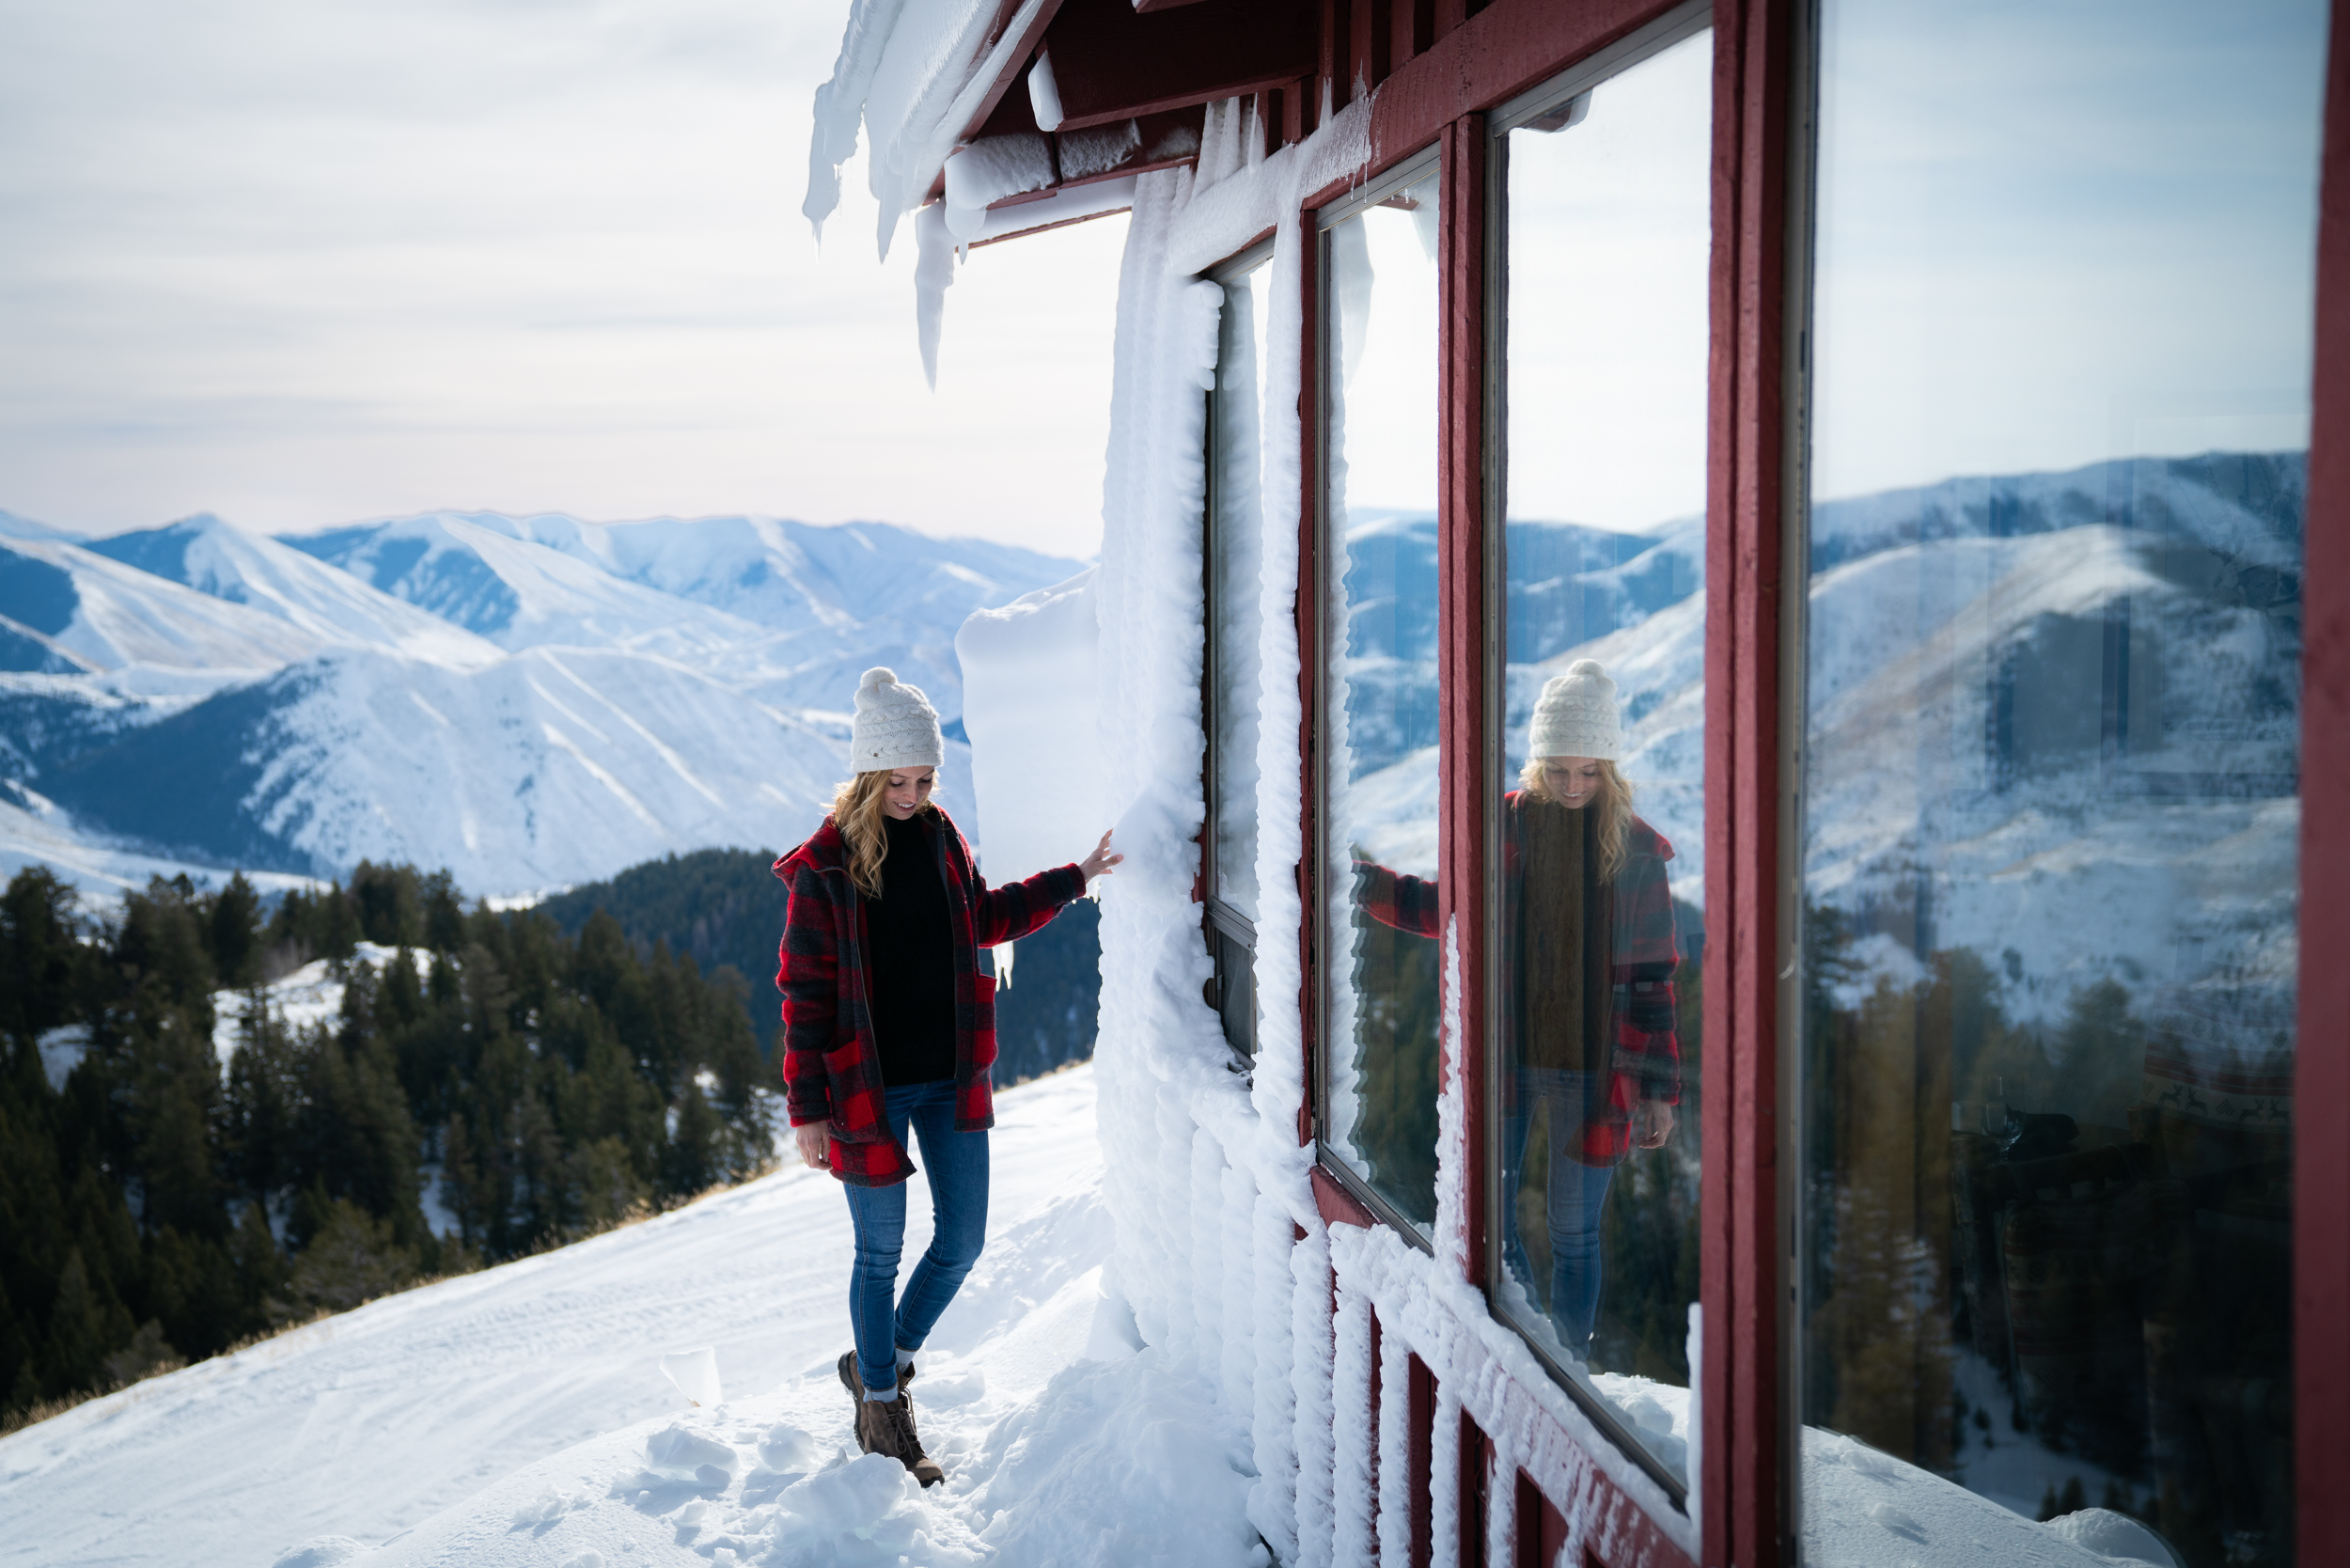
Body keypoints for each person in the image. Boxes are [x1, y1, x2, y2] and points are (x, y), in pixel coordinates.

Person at [773, 666, 1120, 1485]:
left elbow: (985, 917)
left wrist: (1077, 878)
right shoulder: (825, 869)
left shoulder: (940, 835)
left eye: (925, 777)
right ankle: (885, 1415)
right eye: (897, 780)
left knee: (962, 1240)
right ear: (866, 776)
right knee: (878, 1253)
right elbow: (805, 995)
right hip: (868, 1088)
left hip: (951, 1074)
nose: (913, 792)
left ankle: (877, 1364)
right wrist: (807, 1114)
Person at [1355, 658, 1680, 1360]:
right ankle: (1536, 1355)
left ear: (1611, 769)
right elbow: (1450, 911)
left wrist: (1659, 1090)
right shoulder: (1503, 827)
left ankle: (1570, 1369)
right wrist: (1364, 886)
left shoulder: (1639, 854)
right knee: (1490, 1229)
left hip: (1597, 1072)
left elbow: (1655, 978)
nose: (1572, 785)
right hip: (1507, 1060)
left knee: (1575, 1234)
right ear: (1538, 763)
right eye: (1559, 769)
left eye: (1589, 771)